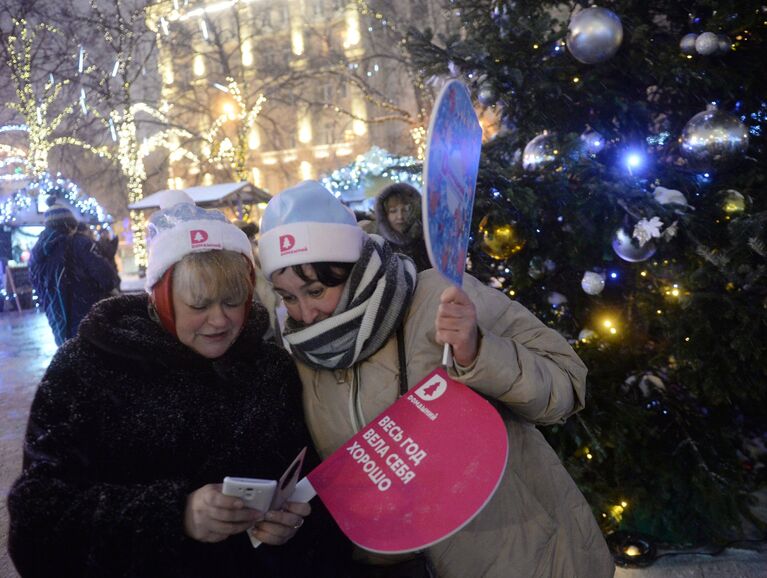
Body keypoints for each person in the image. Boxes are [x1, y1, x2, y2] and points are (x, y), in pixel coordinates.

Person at [258, 181, 615, 578]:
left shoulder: (439, 296)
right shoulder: (297, 352)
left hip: (517, 555)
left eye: (316, 290)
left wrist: (480, 351)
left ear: (353, 267)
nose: (306, 314)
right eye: (288, 297)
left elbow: (566, 385)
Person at [8, 193, 349, 578]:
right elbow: (36, 524)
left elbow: (309, 487)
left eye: (232, 301)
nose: (219, 321)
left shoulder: (270, 369)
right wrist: (173, 517)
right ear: (161, 298)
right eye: (199, 305)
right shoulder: (88, 369)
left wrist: (294, 526)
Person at [29, 198, 120, 346]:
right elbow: (106, 276)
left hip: (57, 319)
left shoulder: (37, 251)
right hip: (85, 313)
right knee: (93, 358)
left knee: (70, 355)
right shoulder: (80, 243)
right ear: (69, 224)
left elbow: (36, 285)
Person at [374, 182, 431, 272]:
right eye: (393, 211)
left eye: (405, 210)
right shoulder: (378, 247)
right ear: (384, 215)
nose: (400, 216)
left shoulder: (426, 242)